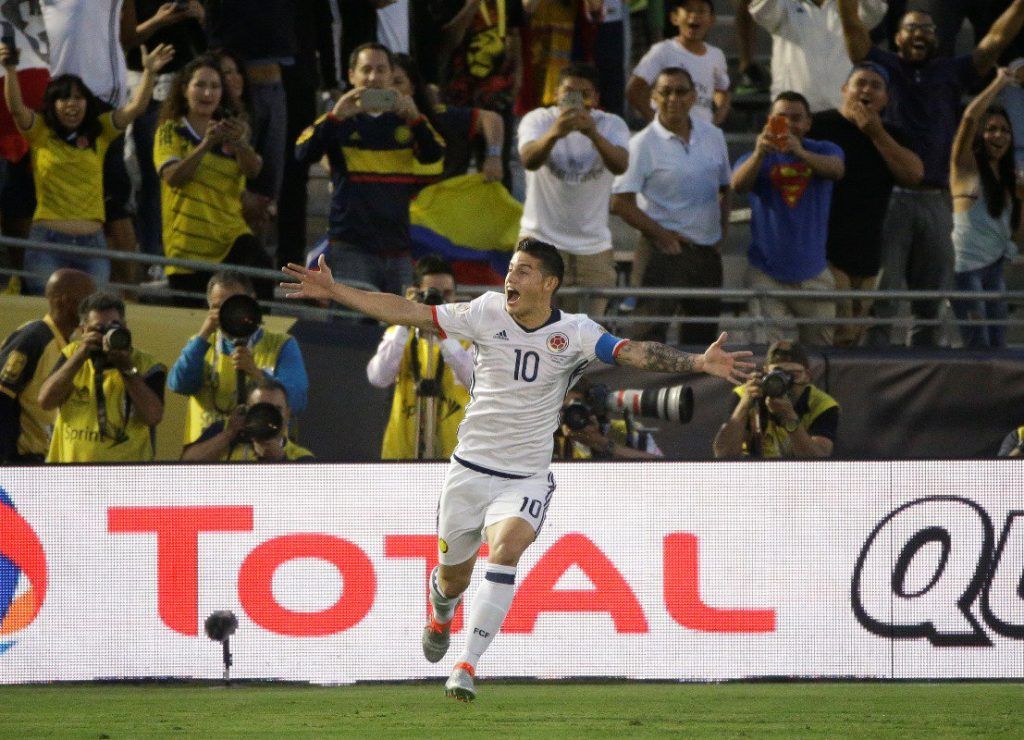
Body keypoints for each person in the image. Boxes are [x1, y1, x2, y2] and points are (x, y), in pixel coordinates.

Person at [281, 237, 753, 701]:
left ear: (548, 284)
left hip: (525, 476)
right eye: (510, 269)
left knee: (506, 551)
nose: (510, 277)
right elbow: (409, 313)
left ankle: (466, 666)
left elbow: (631, 351)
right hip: (469, 469)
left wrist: (697, 361)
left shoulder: (577, 333)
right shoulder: (485, 312)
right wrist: (337, 291)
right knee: (453, 578)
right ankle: (442, 611)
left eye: (523, 271)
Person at [838, 0, 1024, 347]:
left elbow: (996, 39)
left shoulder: (952, 72)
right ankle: (878, 368)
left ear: (938, 39)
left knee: (931, 302)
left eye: (927, 29)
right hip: (890, 199)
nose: (919, 34)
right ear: (896, 37)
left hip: (938, 200)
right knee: (884, 296)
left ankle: (922, 366)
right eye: (911, 28)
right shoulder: (884, 67)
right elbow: (852, 29)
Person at [2, 41, 175, 295]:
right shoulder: (40, 133)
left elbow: (136, 107)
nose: (72, 104)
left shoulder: (101, 132)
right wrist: (10, 70)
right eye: (63, 98)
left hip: (92, 246)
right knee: (45, 317)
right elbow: (16, 109)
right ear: (53, 104)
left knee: (90, 320)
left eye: (78, 97)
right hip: (47, 244)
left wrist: (148, 72)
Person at [294, 42, 444, 295]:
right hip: (351, 247)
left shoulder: (408, 119)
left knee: (397, 328)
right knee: (351, 328)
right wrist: (336, 117)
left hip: (397, 248)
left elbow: (434, 155)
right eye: (366, 70)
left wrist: (416, 119)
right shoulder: (337, 120)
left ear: (390, 75)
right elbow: (303, 154)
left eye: (381, 70)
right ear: (351, 75)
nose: (373, 77)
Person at [611, 66, 732, 345]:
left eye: (681, 91)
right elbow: (620, 202)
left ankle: (695, 391)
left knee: (703, 339)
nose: (673, 98)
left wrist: (722, 232)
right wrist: (661, 235)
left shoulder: (713, 135)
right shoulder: (642, 143)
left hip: (706, 254)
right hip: (661, 253)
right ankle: (644, 390)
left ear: (693, 97)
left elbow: (726, 187)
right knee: (647, 337)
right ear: (653, 97)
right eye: (665, 91)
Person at [808, 62, 923, 346]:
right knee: (835, 334)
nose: (867, 90)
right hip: (826, 251)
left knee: (853, 336)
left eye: (876, 85)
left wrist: (876, 133)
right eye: (860, 83)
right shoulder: (820, 126)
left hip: (868, 254)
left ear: (885, 99)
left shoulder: (892, 135)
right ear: (844, 90)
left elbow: (914, 175)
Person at [732, 91, 846, 346]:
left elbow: (837, 170)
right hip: (766, 273)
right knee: (769, 354)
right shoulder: (754, 158)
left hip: (813, 273)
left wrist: (800, 153)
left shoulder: (825, 149)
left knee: (820, 353)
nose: (790, 124)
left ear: (808, 123)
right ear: (769, 121)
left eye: (797, 118)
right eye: (782, 117)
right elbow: (738, 185)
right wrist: (760, 153)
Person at [155, 54, 271, 303]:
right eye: (200, 85)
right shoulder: (170, 130)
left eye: (215, 86)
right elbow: (173, 177)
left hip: (230, 239)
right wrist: (206, 144)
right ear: (184, 89)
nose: (207, 93)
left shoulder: (233, 129)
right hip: (187, 248)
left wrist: (241, 144)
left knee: (261, 268)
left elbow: (253, 171)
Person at [519, 63, 629, 316]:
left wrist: (593, 134)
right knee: (529, 323)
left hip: (593, 246)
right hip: (539, 238)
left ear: (596, 98)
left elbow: (620, 164)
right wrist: (555, 132)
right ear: (556, 94)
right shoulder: (538, 120)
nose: (576, 101)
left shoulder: (612, 124)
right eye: (569, 93)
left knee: (587, 332)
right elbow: (529, 159)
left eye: (584, 94)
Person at [167, 270, 308, 445]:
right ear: (210, 309)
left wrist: (257, 374)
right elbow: (180, 385)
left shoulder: (281, 345)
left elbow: (297, 401)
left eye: (235, 304)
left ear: (253, 301)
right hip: (207, 458)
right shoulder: (200, 345)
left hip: (260, 458)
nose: (230, 313)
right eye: (219, 307)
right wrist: (203, 335)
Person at [123, 0, 208, 263]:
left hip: (186, 84)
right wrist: (159, 20)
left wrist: (201, 15)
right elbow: (126, 39)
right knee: (150, 174)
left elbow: (211, 40)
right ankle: (151, 254)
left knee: (178, 171)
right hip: (144, 82)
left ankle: (173, 251)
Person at [366, 255, 473, 460]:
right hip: (402, 454)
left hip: (455, 457)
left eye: (447, 294)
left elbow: (474, 380)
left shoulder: (468, 340)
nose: (440, 301)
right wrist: (406, 318)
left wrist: (442, 335)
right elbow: (378, 377)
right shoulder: (398, 335)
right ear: (416, 293)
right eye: (433, 294)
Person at [38, 291, 166, 463]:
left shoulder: (146, 364)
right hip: (69, 474)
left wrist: (126, 367)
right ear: (83, 330)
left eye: (114, 326)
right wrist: (81, 354)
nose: (107, 334)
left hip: (127, 479)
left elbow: (153, 416)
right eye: (99, 328)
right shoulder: (72, 355)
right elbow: (46, 401)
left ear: (125, 327)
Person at [949, 68, 1021, 349]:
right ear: (981, 134)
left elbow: (1017, 236)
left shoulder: (1008, 180)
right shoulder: (965, 167)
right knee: (978, 344)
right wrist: (999, 83)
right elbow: (969, 118)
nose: (998, 135)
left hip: (995, 271)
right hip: (965, 272)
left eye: (1004, 130)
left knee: (999, 346)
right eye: (991, 129)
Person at [0, 269, 95, 462]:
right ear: (65, 301)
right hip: (20, 461)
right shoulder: (34, 339)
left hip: (44, 460)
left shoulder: (69, 346)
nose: (93, 310)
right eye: (88, 301)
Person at [439, 0, 524, 191]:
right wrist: (471, 5)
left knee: (497, 166)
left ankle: (498, 217)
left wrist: (518, 72)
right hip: (459, 95)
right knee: (454, 166)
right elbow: (450, 39)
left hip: (498, 92)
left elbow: (514, 32)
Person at [744, 0, 888, 113]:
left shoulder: (851, 6)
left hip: (843, 110)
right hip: (790, 112)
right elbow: (760, 12)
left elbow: (875, 12)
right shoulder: (783, 4)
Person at [713, 339, 838, 459]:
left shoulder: (822, 404)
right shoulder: (745, 394)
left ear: (807, 376)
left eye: (793, 375)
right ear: (765, 373)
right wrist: (744, 405)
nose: (786, 382)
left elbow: (818, 463)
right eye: (778, 375)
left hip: (799, 474)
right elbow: (723, 454)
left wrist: (790, 418)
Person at [391, 53, 504, 184]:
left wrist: (494, 156)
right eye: (385, 82)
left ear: (412, 88)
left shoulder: (436, 116)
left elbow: (491, 118)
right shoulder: (365, 122)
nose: (391, 90)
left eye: (398, 82)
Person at [627, 0, 731, 126]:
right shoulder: (663, 51)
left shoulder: (716, 55)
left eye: (701, 11)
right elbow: (634, 90)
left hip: (702, 134)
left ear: (711, 20)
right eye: (688, 10)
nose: (694, 15)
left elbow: (722, 90)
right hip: (668, 136)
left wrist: (718, 116)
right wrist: (657, 122)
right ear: (674, 17)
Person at [180, 377, 314, 462]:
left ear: (288, 413)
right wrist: (229, 434)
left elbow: (313, 499)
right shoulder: (226, 432)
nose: (268, 415)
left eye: (276, 409)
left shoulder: (300, 457)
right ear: (247, 411)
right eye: (261, 408)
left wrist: (280, 459)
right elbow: (185, 465)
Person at [553, 377, 663, 460]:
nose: (572, 416)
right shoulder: (546, 439)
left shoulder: (628, 432)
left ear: (595, 408)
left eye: (577, 408)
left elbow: (666, 472)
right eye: (564, 410)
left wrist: (602, 443)